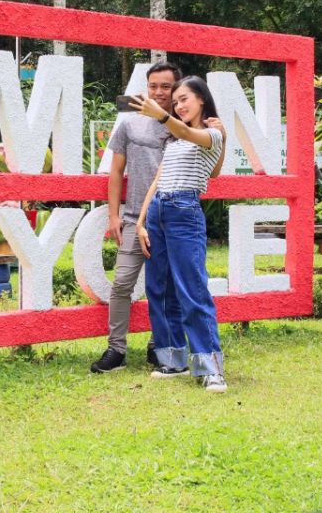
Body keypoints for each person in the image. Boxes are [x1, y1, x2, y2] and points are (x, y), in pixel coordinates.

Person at [88, 63, 224, 374]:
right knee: (135, 286)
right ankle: (129, 351)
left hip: (180, 214)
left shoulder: (190, 129)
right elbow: (130, 175)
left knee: (182, 289)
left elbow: (210, 167)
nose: (162, 94)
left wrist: (222, 136)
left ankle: (187, 359)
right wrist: (123, 217)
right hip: (144, 216)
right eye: (154, 87)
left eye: (170, 90)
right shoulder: (141, 128)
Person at [132, 76, 228, 394]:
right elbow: (157, 181)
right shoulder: (173, 142)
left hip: (185, 211)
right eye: (176, 103)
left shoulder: (212, 133)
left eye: (184, 99)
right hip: (159, 211)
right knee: (159, 288)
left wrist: (160, 114)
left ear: (202, 99)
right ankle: (173, 360)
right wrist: (142, 221)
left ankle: (210, 369)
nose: (179, 105)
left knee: (192, 291)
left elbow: (192, 137)